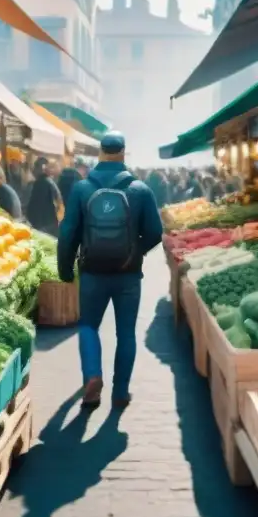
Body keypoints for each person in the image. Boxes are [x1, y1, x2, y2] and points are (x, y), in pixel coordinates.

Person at [57, 131, 163, 410]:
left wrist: (65, 270)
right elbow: (155, 232)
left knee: (88, 326)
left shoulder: (81, 189)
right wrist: (136, 251)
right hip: (128, 275)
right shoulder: (139, 189)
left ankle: (92, 376)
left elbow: (67, 233)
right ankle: (121, 392)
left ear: (100, 152)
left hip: (92, 273)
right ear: (123, 152)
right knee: (125, 333)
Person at [26, 157, 63, 236]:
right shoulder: (50, 182)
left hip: (43, 225)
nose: (33, 170)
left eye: (35, 167)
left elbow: (34, 206)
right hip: (51, 223)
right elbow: (58, 204)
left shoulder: (41, 183)